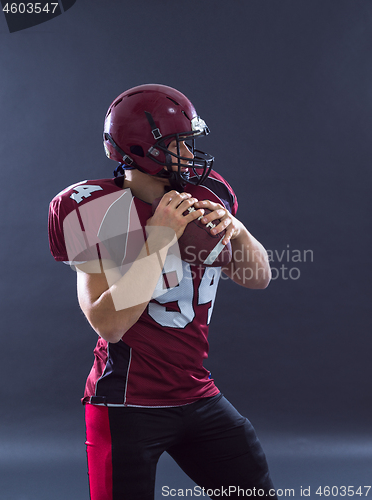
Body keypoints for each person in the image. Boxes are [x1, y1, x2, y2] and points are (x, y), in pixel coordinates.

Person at [48, 84, 277, 500]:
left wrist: (239, 232)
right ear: (141, 150)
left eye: (190, 144)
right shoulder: (95, 211)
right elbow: (109, 324)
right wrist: (157, 240)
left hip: (197, 393)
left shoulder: (206, 196)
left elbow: (257, 277)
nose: (189, 157)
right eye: (178, 146)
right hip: (125, 404)